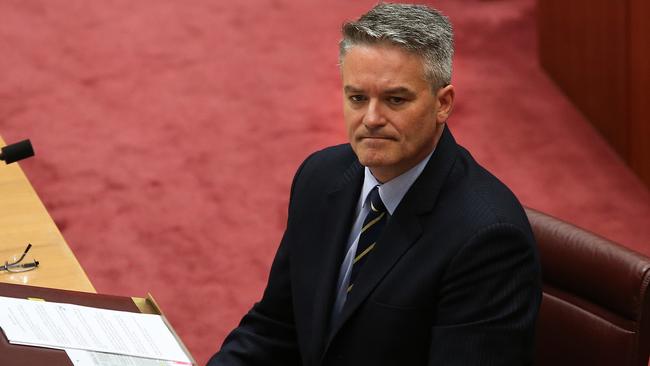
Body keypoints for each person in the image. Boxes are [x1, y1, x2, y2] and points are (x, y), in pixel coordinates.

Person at [208, 3, 541, 365]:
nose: (371, 119)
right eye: (357, 98)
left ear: (443, 103)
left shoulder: (488, 239)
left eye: (395, 100)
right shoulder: (319, 178)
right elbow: (275, 327)